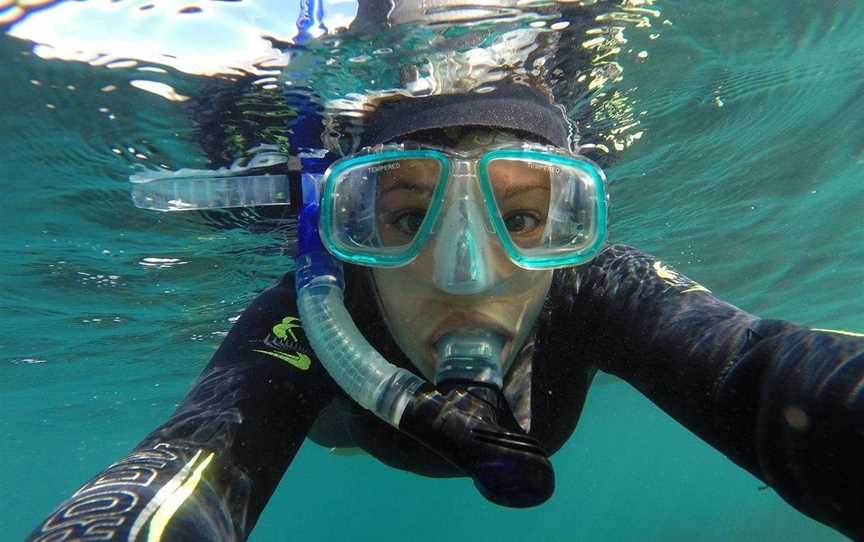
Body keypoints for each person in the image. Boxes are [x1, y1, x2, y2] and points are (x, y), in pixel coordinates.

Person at [26, 75, 864, 541]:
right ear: (346, 226)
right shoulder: (312, 313)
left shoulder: (596, 286)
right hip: (352, 420)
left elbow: (761, 369)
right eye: (402, 215)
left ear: (572, 226)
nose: (466, 275)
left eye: (527, 216)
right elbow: (183, 466)